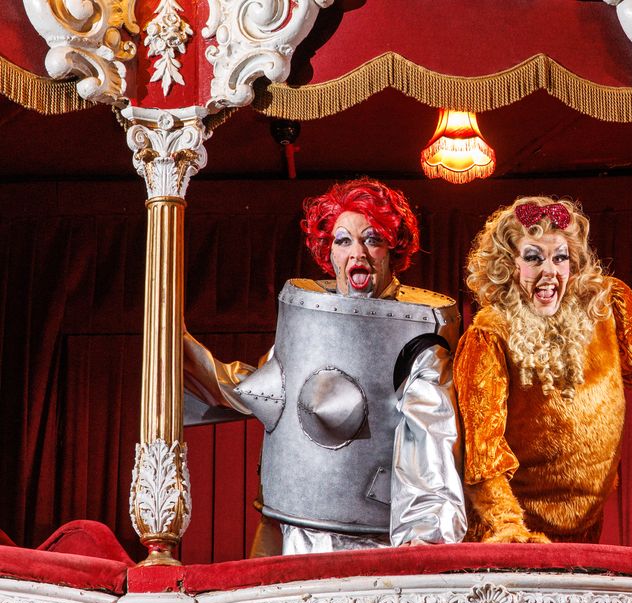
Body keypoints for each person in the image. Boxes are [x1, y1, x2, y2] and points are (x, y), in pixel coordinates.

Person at [184, 179, 466, 554]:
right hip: (303, 532)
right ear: (328, 252)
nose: (358, 253)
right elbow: (262, 388)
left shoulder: (418, 335)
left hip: (379, 541)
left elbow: (430, 433)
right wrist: (178, 350)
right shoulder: (315, 320)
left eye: (373, 239)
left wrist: (427, 535)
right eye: (343, 240)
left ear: (392, 251)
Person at [453, 196, 632, 544]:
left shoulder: (606, 306)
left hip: (587, 522)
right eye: (533, 258)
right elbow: (482, 451)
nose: (549, 271)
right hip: (516, 530)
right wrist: (508, 526)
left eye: (559, 257)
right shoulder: (489, 334)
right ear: (509, 264)